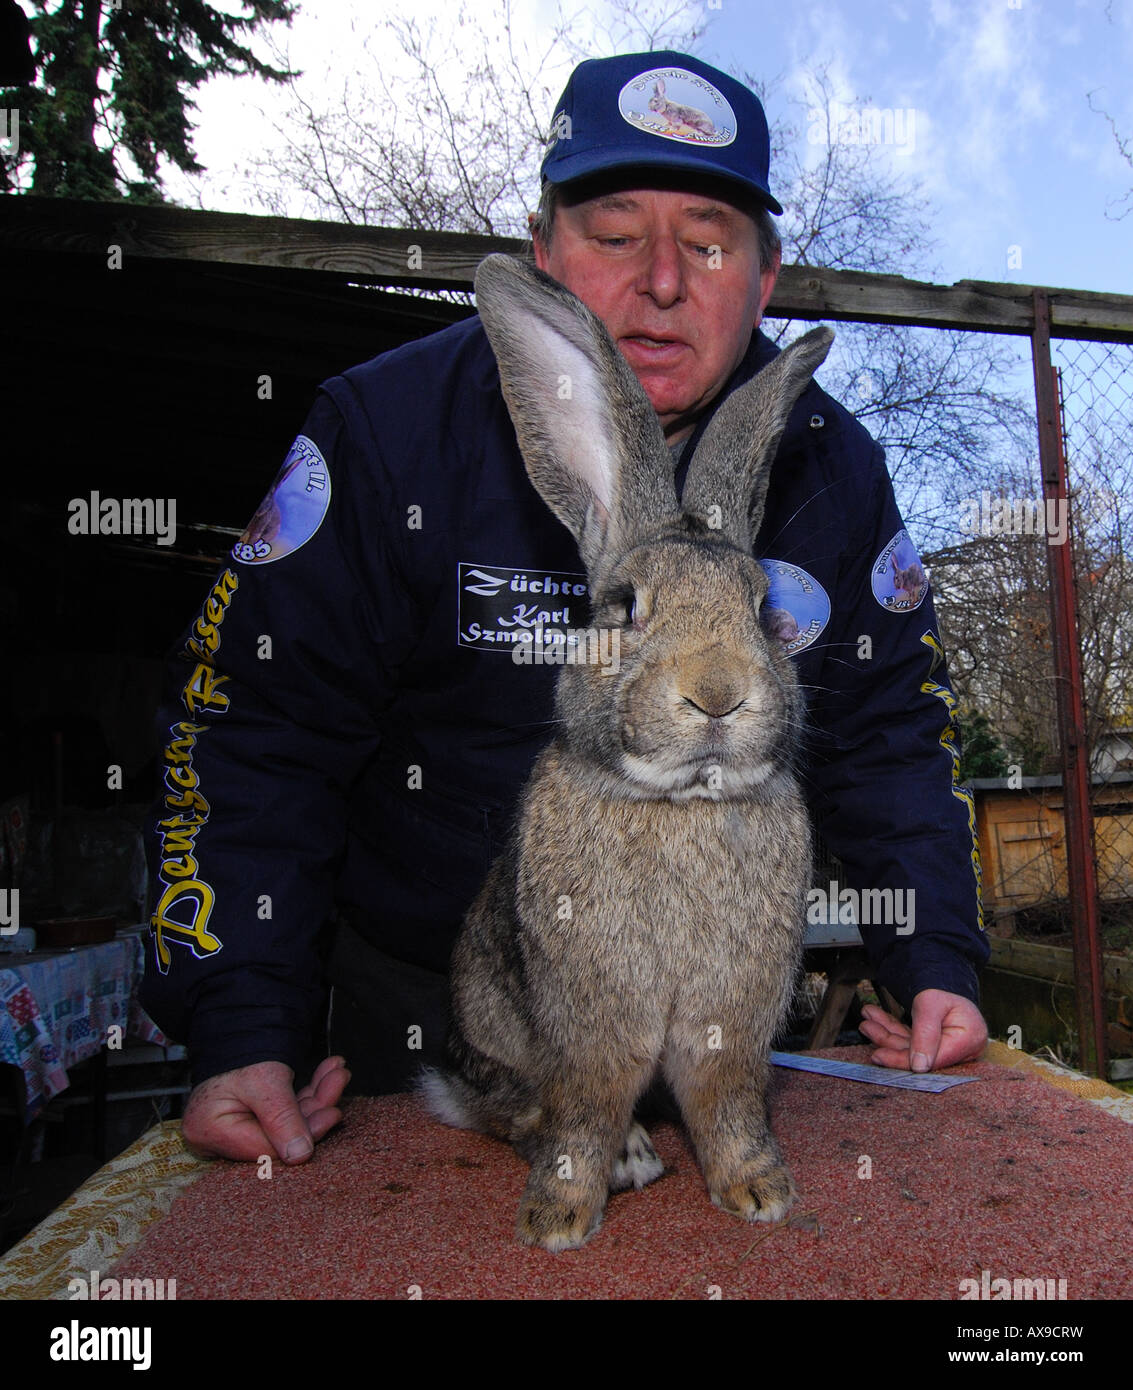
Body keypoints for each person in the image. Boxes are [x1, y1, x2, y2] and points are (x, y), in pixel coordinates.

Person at [141, 51, 989, 1165]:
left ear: (766, 274)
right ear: (542, 249)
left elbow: (887, 734)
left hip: (709, 1019)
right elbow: (252, 724)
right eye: (612, 230)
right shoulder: (390, 432)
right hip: (421, 1012)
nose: (662, 281)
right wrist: (244, 1018)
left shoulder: (830, 468)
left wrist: (932, 959)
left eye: (708, 240)